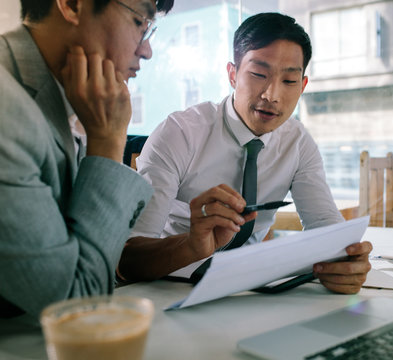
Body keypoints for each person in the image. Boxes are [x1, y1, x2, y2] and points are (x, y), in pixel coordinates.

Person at [121, 12, 372, 294]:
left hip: (250, 291)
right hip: (169, 286)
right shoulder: (179, 133)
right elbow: (129, 258)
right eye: (258, 74)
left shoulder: (298, 142)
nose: (271, 95)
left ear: (302, 86)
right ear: (232, 74)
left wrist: (345, 260)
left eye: (289, 81)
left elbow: (327, 230)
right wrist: (192, 245)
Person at [0, 0, 174, 322]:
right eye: (141, 22)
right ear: (71, 5)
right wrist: (108, 141)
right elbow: (76, 304)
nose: (147, 50)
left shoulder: (54, 100)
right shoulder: (7, 111)